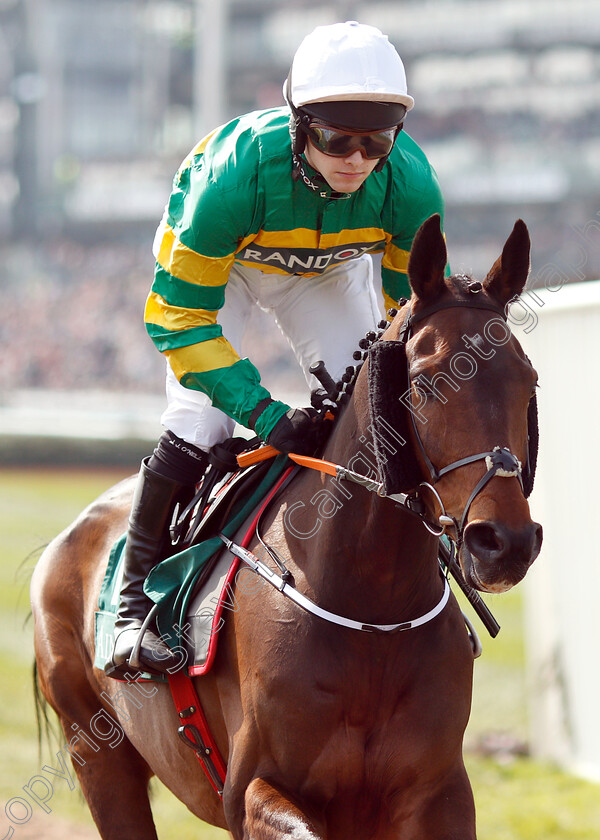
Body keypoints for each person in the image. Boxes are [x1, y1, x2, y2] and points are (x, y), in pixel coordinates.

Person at [105, 20, 447, 678]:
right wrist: (264, 415)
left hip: (326, 273)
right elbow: (178, 317)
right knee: (201, 425)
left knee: (386, 407)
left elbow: (414, 320)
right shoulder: (229, 179)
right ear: (298, 124)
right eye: (335, 138)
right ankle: (129, 607)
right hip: (223, 267)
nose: (355, 159)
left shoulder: (411, 184)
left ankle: (420, 569)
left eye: (375, 141)